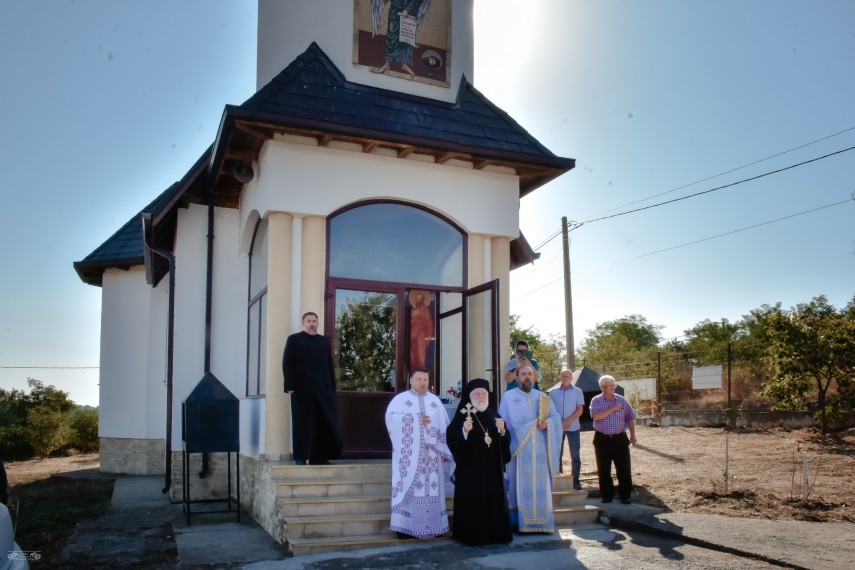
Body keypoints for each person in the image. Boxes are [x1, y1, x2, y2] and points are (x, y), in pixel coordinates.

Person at [385, 368, 454, 539]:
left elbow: (445, 425)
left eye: (425, 379)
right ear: (411, 381)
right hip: (409, 456)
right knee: (411, 487)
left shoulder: (435, 402)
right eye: (419, 379)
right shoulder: (400, 400)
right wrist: (416, 420)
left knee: (432, 489)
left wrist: (444, 448)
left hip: (432, 456)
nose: (423, 382)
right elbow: (391, 420)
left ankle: (433, 526)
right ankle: (405, 528)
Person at [446, 378, 512, 545]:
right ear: (470, 396)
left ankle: (497, 534)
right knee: (473, 502)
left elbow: (504, 443)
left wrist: (503, 431)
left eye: (484, 393)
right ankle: (472, 536)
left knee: (494, 501)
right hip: (470, 470)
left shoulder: (494, 415)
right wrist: (464, 432)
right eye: (477, 394)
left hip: (492, 469)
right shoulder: (464, 414)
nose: (481, 397)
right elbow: (451, 437)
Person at [498, 365, 562, 533]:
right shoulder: (508, 397)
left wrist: (547, 424)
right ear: (517, 377)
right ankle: (518, 523)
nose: (527, 377)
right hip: (519, 448)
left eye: (529, 374)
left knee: (540, 485)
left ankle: (542, 523)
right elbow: (504, 423)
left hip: (541, 448)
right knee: (518, 485)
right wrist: (530, 426)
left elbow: (556, 420)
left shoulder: (543, 397)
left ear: (534, 377)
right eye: (523, 374)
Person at [283, 311, 343, 465]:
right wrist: (289, 385)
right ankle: (301, 456)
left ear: (317, 323)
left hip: (322, 389)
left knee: (323, 422)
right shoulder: (294, 339)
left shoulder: (323, 341)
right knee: (302, 423)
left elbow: (329, 365)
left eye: (314, 321)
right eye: (309, 321)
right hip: (301, 390)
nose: (312, 324)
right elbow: (287, 362)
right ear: (303, 323)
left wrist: (332, 387)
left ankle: (319, 457)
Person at [590, 374, 637, 504]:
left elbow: (630, 418)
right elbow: (596, 416)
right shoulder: (596, 400)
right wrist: (613, 409)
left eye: (613, 385)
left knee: (624, 467)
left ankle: (625, 496)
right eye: (608, 386)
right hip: (602, 439)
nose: (612, 388)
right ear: (602, 387)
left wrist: (633, 435)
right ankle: (607, 496)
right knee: (604, 469)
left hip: (620, 438)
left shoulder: (621, 400)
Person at [548, 369, 586, 490]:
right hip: (557, 427)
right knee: (557, 453)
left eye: (567, 376)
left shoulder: (578, 391)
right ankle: (557, 479)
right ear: (560, 377)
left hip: (573, 427)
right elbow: (549, 410)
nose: (565, 378)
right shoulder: (552, 393)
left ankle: (575, 480)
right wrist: (559, 423)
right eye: (563, 376)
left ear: (571, 378)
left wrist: (567, 422)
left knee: (575, 454)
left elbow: (580, 410)